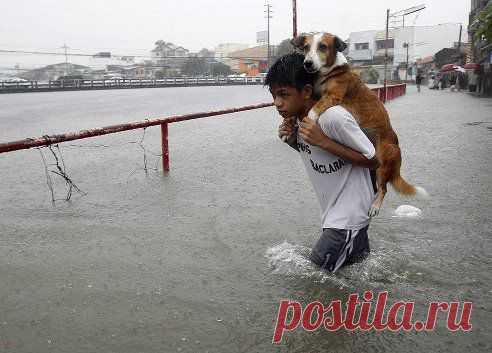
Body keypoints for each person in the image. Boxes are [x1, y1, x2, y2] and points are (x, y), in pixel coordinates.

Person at [265, 53, 379, 273]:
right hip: (339, 218)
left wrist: (324, 141)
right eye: (273, 95)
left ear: (306, 91)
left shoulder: (333, 117)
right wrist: (293, 142)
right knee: (351, 281)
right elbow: (322, 157)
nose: (277, 103)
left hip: (346, 220)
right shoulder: (301, 121)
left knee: (312, 282)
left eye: (283, 94)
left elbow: (374, 160)